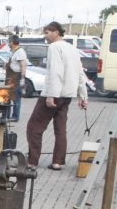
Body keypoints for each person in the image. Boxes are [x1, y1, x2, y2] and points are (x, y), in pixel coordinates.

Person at [26, 21, 88, 170]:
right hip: (67, 95)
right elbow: (80, 73)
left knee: (34, 127)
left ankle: (32, 162)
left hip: (54, 94)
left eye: (47, 33)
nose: (45, 36)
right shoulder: (72, 48)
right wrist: (83, 97)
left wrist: (50, 95)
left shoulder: (54, 47)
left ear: (55, 32)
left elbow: (56, 72)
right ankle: (57, 162)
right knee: (60, 129)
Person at [6, 35, 28, 121]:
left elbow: (23, 65)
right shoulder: (13, 52)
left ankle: (15, 117)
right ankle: (6, 115)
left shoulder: (20, 52)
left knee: (16, 98)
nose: (8, 44)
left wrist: (22, 79)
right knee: (7, 97)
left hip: (16, 78)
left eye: (9, 42)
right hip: (10, 78)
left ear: (12, 42)